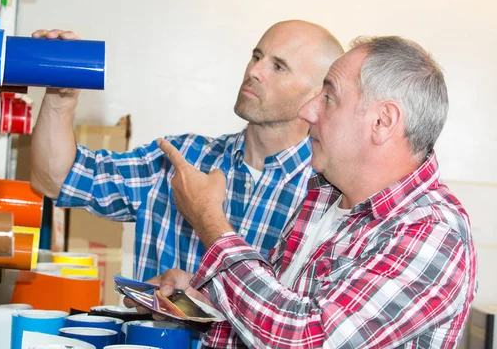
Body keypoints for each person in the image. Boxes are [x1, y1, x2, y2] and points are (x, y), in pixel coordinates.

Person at [145, 36, 478, 348]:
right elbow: (274, 314)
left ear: (383, 121)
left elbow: (304, 338)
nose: (307, 111)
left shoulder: (433, 233)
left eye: (329, 98)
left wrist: (209, 220)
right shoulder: (325, 196)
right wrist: (201, 301)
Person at [29, 20, 345, 281]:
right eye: (256, 55)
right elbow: (55, 178)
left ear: (317, 95)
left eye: (278, 67)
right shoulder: (180, 158)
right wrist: (60, 96)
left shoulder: (330, 199)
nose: (255, 71)